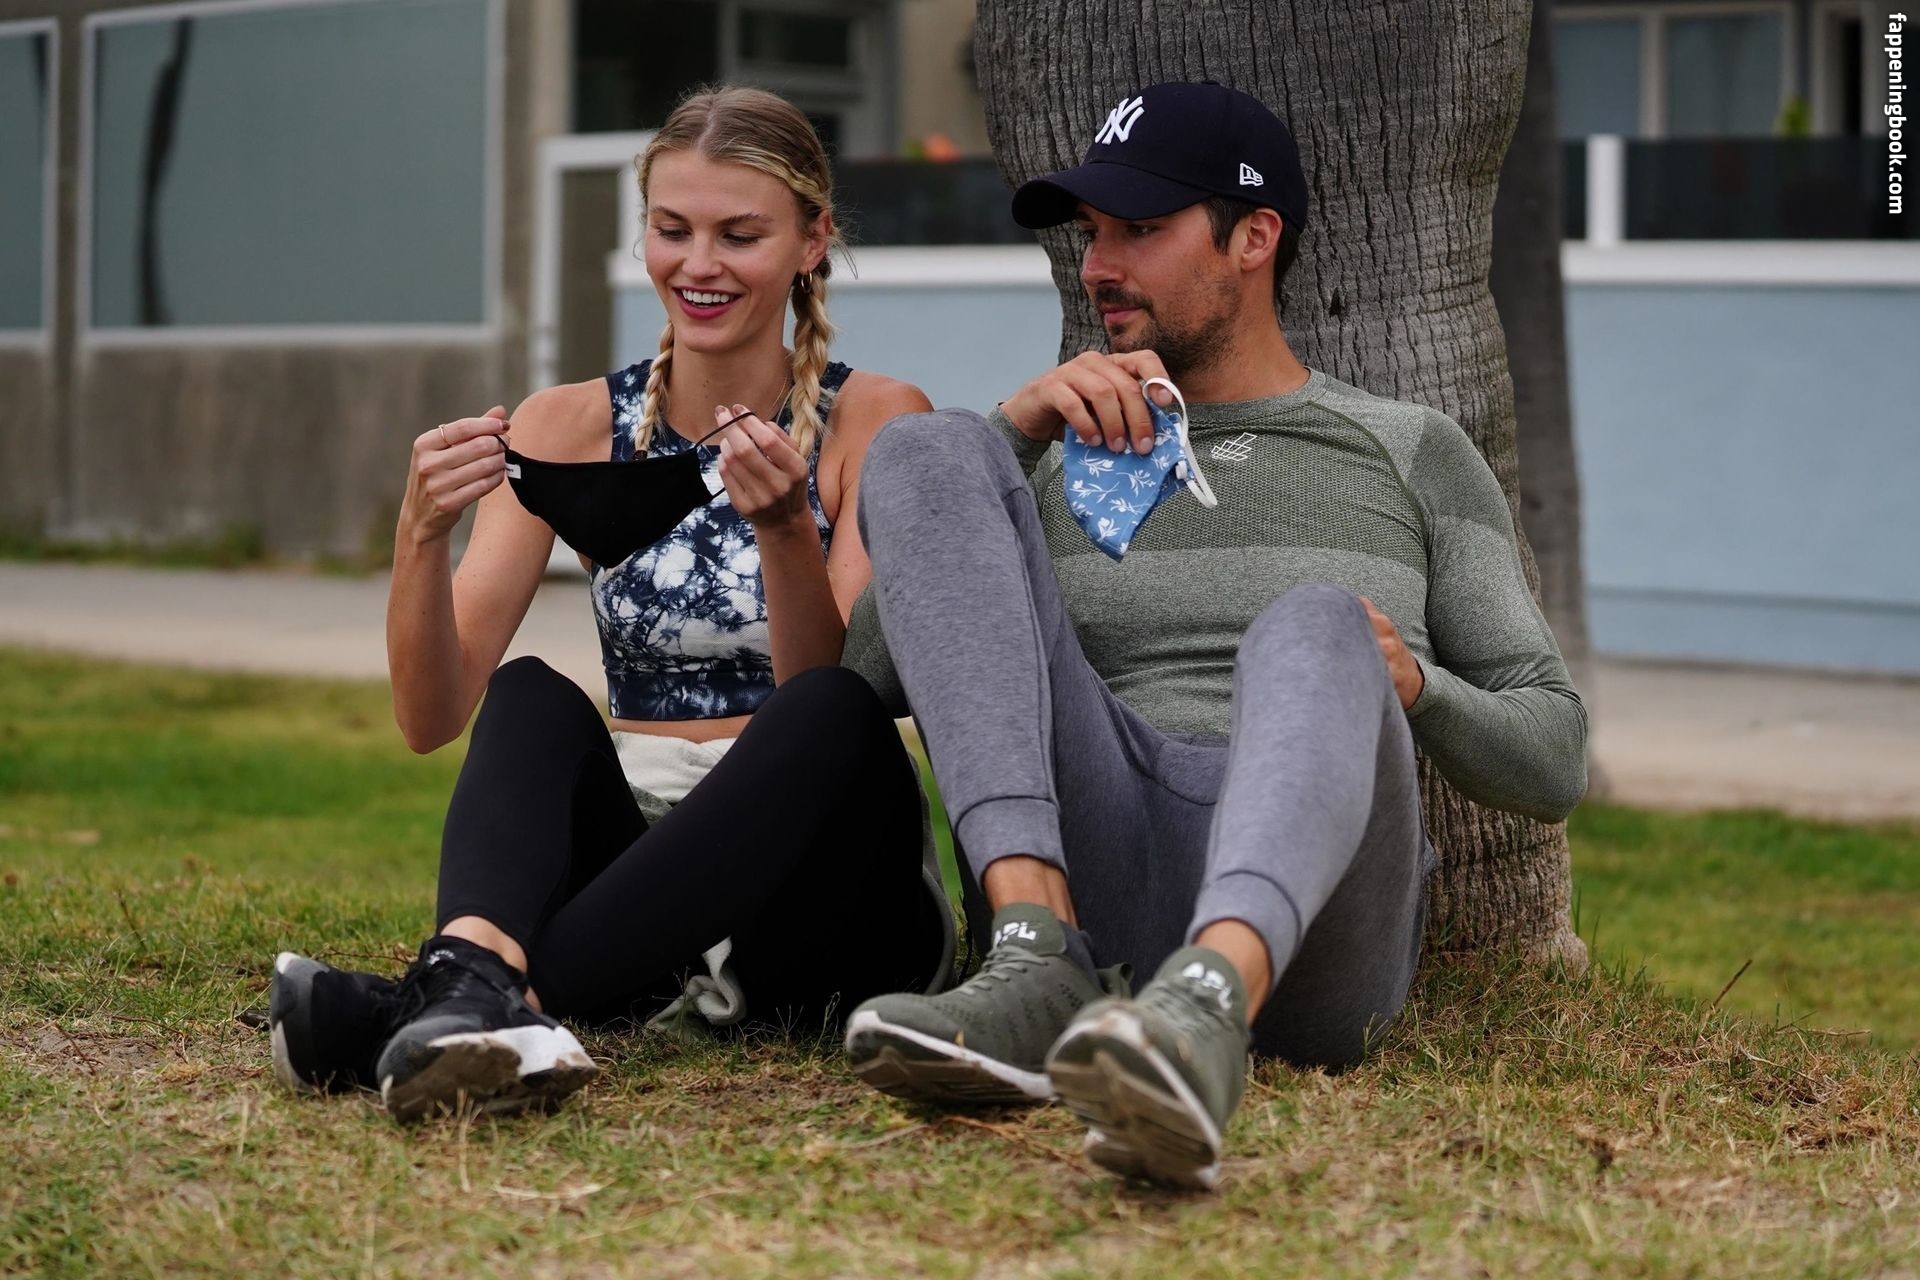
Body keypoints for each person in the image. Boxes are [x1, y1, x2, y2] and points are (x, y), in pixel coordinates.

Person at [839, 81, 1587, 1188]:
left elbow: (1555, 753)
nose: (1099, 266)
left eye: (1139, 230)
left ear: (1254, 237)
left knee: (1321, 620)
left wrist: (1414, 684)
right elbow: (863, 685)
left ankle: (1208, 1002)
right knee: (928, 446)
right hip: (1102, 867)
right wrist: (1012, 436)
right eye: (1091, 233)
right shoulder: (1049, 447)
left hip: (1319, 938)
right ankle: (1034, 956)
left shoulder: (1411, 449)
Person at [267, 86, 951, 1121]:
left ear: (813, 242)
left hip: (826, 891)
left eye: (740, 235)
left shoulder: (877, 417)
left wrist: (783, 531)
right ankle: (478, 978)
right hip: (644, 878)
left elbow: (832, 705)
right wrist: (418, 533)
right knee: (529, 693)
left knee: (832, 709)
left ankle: (452, 1003)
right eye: (672, 230)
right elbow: (429, 715)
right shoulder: (568, 424)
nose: (700, 264)